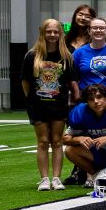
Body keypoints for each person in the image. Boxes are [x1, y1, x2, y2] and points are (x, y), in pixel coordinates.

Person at [22, 18, 76, 191]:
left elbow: (70, 81)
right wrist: (32, 99)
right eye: (49, 31)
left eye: (55, 32)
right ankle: (44, 179)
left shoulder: (66, 55)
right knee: (43, 142)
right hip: (38, 106)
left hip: (58, 105)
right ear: (42, 33)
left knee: (57, 141)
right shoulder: (32, 55)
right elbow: (25, 82)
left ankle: (56, 178)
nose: (52, 35)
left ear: (60, 34)